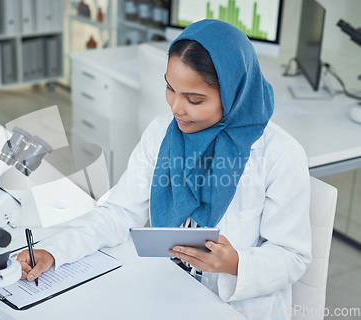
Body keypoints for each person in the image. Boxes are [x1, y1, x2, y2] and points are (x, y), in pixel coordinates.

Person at [17, 19, 312, 319]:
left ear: (234, 92)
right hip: (167, 291)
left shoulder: (278, 154)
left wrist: (235, 263)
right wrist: (55, 252)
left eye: (194, 99)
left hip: (233, 307)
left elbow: (293, 257)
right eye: (170, 89)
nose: (175, 108)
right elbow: (119, 212)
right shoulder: (162, 134)